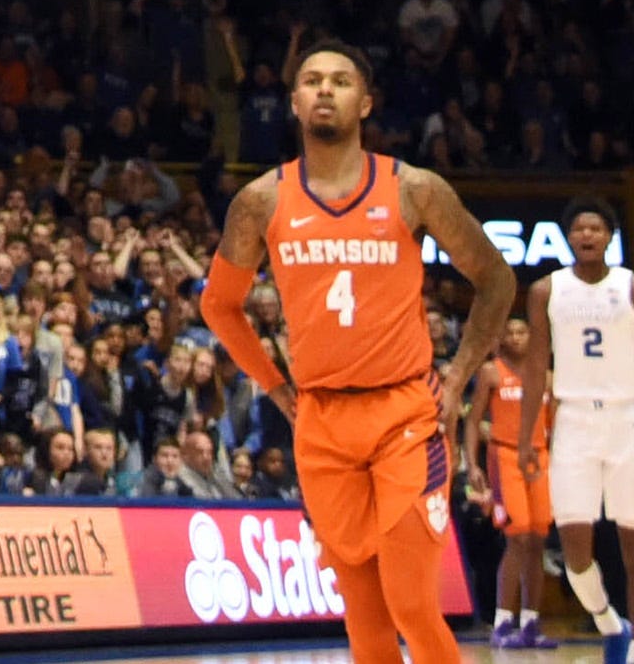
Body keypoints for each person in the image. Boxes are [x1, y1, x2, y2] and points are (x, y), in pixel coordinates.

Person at [201, 38, 518, 664]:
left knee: (411, 605)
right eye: (312, 80)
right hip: (320, 421)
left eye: (340, 81)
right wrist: (276, 387)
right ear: (292, 102)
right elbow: (219, 305)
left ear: (365, 102)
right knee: (365, 621)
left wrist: (455, 381)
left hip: (405, 415)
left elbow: (497, 280)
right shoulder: (261, 200)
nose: (325, 89)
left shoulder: (415, 189)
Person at [517, 200, 634, 658]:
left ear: (609, 236)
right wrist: (527, 437)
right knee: (575, 557)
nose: (587, 235)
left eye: (596, 228)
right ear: (568, 238)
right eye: (579, 229)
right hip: (574, 420)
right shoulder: (545, 291)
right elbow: (536, 367)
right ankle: (606, 620)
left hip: (627, 419)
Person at [469, 312, 554, 646]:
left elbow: (556, 427)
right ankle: (503, 621)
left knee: (537, 540)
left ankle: (531, 622)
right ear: (502, 338)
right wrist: (472, 463)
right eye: (511, 332)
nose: (517, 337)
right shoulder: (492, 372)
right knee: (516, 538)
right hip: (504, 457)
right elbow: (474, 421)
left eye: (523, 331)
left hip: (541, 457)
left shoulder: (546, 378)